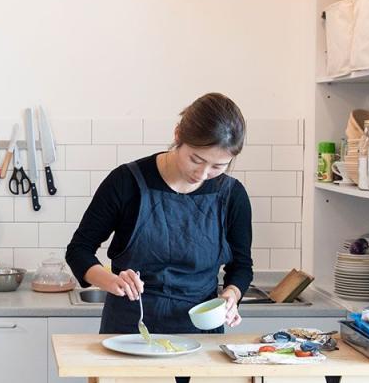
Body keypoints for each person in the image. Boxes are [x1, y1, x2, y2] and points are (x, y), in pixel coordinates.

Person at [65, 93, 253, 334]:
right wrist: (111, 281)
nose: (203, 174)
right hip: (129, 331)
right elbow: (78, 251)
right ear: (178, 136)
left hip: (200, 336)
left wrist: (230, 296)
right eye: (196, 159)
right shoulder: (126, 182)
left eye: (218, 166)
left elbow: (241, 267)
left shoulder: (232, 195)